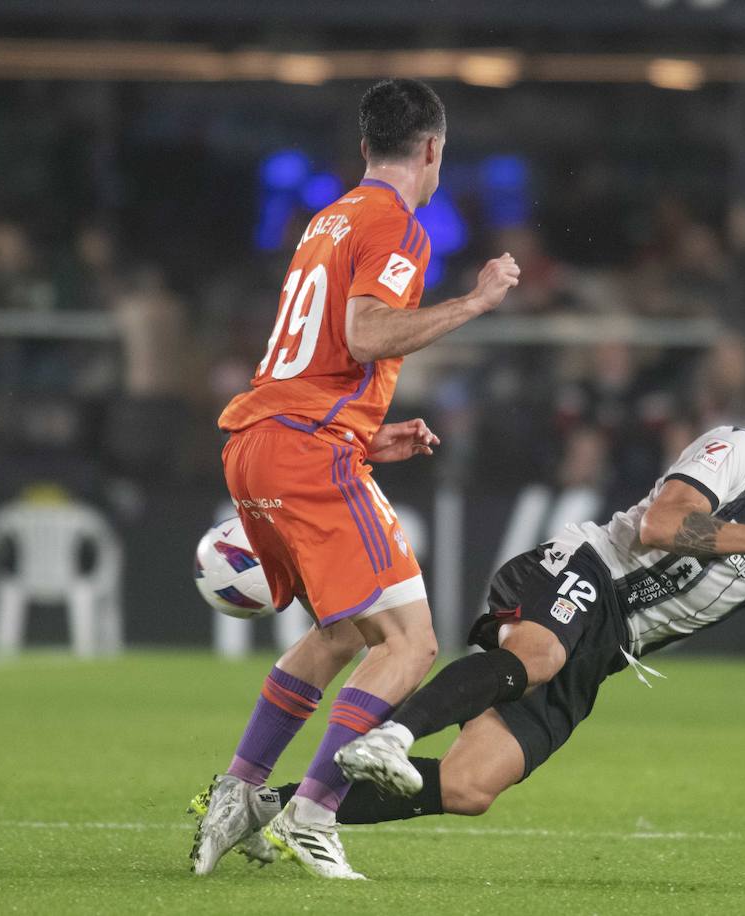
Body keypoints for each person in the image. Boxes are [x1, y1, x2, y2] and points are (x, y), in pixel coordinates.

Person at [189, 368, 745, 863]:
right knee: (541, 654)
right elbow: (662, 527)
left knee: (470, 787)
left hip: (611, 648)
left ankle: (281, 808)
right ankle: (388, 734)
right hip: (584, 566)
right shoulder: (741, 451)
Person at [189, 78, 520, 880]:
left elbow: (317, 355)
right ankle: (314, 812)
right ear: (433, 150)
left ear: (366, 145)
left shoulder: (327, 219)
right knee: (412, 642)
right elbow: (364, 334)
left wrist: (367, 433)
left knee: (343, 632)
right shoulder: (396, 224)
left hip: (259, 441)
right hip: (305, 447)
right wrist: (475, 303)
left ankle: (238, 791)